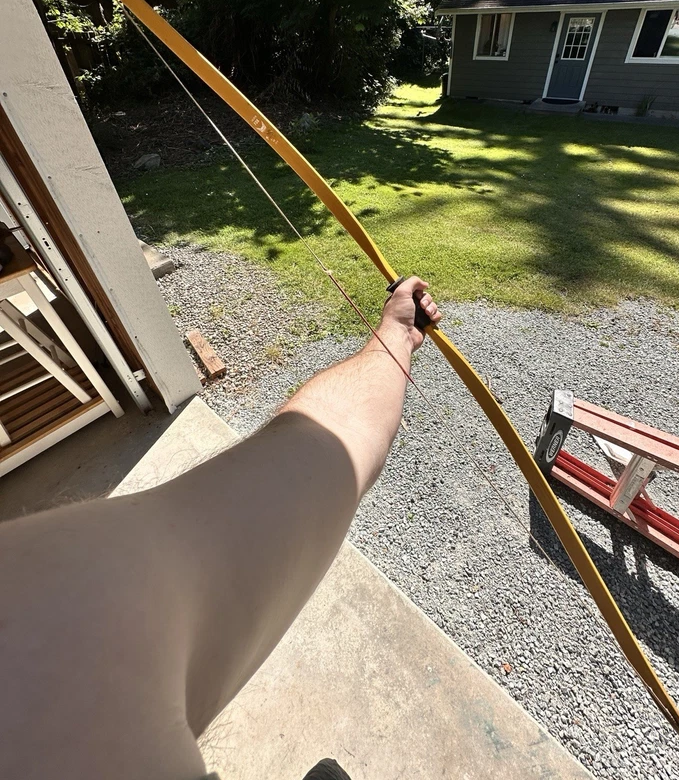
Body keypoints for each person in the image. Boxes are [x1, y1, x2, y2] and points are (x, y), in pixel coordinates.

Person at [0, 276, 441, 780]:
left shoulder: (61, 618)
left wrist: (398, 332)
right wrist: (396, 333)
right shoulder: (54, 636)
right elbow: (322, 455)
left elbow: (311, 463)